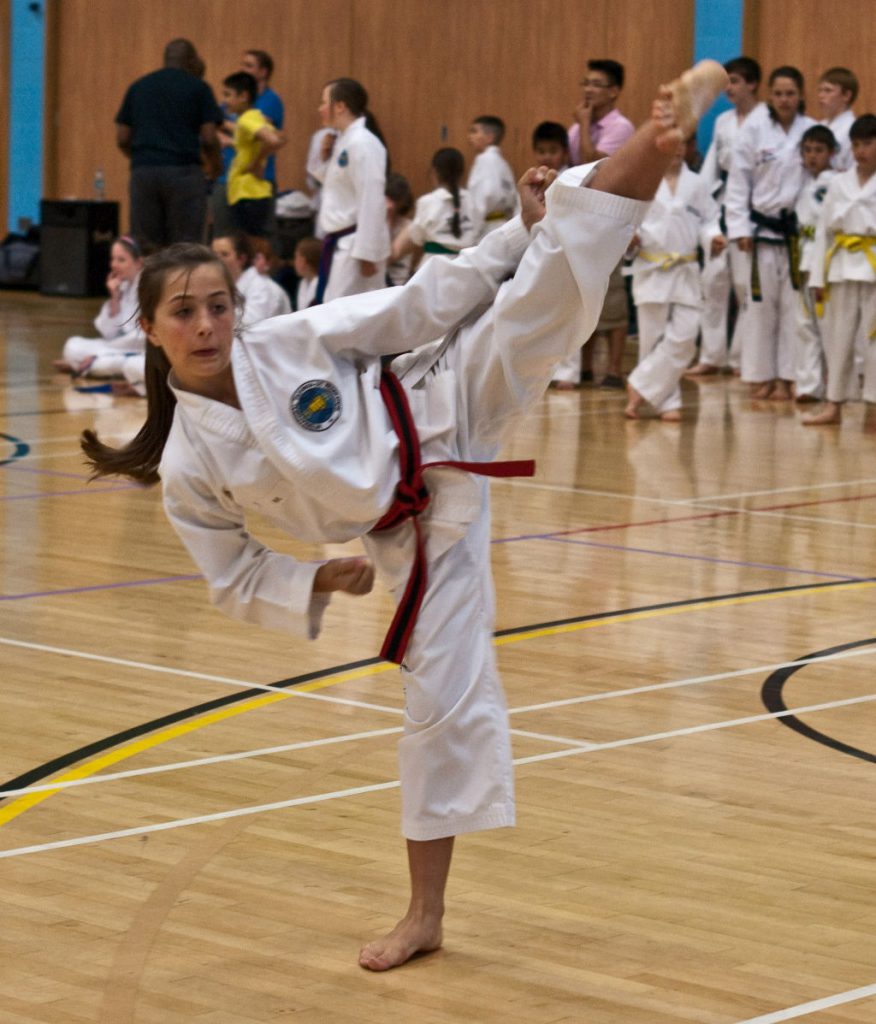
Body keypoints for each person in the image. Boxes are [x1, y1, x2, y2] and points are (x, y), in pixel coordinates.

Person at [79, 60, 728, 972]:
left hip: (437, 405)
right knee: (439, 710)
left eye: (218, 305)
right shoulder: (189, 462)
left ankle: (661, 141)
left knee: (546, 294)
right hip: (416, 534)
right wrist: (313, 577)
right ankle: (425, 914)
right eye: (184, 313)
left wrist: (510, 239)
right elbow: (231, 575)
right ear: (149, 330)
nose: (208, 325)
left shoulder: (283, 342)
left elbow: (409, 308)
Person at [725, 65, 815, 401]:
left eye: (790, 93)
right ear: (770, 96)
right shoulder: (753, 131)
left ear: (801, 95)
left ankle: (791, 377)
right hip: (760, 230)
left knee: (795, 307)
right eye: (778, 93)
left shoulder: (812, 130)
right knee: (760, 307)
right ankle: (760, 376)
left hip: (796, 232)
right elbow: (738, 183)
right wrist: (739, 227)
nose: (784, 99)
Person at [625, 139, 724, 420]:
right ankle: (666, 402)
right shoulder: (643, 181)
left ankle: (640, 385)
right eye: (673, 144)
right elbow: (630, 221)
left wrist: (712, 237)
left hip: (685, 267)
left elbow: (710, 219)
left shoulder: (698, 184)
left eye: (685, 144)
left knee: (687, 335)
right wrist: (631, 239)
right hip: (651, 266)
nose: (679, 149)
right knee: (651, 337)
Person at [553, 59, 636, 390]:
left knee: (612, 297)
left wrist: (585, 124)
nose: (588, 89)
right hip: (581, 218)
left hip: (609, 217)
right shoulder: (577, 128)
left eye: (597, 84)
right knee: (582, 293)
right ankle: (585, 367)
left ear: (614, 91)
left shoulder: (621, 127)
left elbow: (596, 168)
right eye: (585, 82)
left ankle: (614, 369)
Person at [687, 56, 763, 378]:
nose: (728, 88)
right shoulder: (723, 122)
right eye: (726, 82)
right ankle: (711, 355)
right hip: (721, 207)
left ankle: (740, 358)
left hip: (753, 209)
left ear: (753, 84)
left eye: (734, 81)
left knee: (746, 287)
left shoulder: (765, 120)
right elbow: (711, 169)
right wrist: (702, 211)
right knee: (714, 281)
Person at [803, 114, 876, 426]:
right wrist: (819, 277)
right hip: (842, 267)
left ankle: (873, 406)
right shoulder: (838, 183)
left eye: (868, 144)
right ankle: (833, 403)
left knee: (873, 341)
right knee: (838, 338)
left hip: (873, 266)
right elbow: (823, 233)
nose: (861, 151)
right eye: (856, 144)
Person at [115, 39, 222, 248]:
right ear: (191, 60)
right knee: (185, 248)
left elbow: (122, 138)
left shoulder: (138, 86)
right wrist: (216, 165)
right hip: (183, 174)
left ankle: (149, 282)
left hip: (144, 174)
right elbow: (209, 138)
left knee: (146, 247)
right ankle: (180, 282)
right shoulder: (198, 88)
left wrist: (141, 157)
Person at [311, 78, 390, 304]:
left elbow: (372, 198)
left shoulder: (363, 143)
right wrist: (324, 155)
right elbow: (336, 184)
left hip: (356, 245)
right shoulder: (345, 140)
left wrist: (367, 253)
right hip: (343, 243)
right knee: (338, 314)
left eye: (324, 102)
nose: (320, 108)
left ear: (340, 106)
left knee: (351, 316)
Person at [54, 236, 145, 376]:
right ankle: (90, 363)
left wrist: (101, 353)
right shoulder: (123, 286)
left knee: (128, 364)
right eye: (112, 259)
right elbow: (108, 333)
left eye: (121, 260)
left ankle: (86, 364)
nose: (114, 265)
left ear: (138, 263)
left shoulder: (148, 288)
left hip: (137, 350)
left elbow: (140, 339)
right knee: (72, 345)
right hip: (115, 348)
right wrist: (114, 297)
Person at [793, 125, 838, 404]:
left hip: (824, 259)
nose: (812, 156)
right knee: (804, 324)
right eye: (808, 150)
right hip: (803, 254)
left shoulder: (832, 182)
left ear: (831, 153)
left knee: (829, 325)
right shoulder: (804, 183)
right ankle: (809, 385)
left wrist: (819, 264)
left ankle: (837, 384)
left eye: (819, 151)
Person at [221, 72, 286, 240]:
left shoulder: (246, 120)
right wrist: (231, 143)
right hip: (253, 192)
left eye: (228, 95)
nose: (225, 100)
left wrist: (256, 163)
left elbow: (273, 140)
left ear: (243, 96)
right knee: (254, 245)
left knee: (250, 246)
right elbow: (282, 137)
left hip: (247, 193)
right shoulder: (255, 116)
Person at [392, 148, 479, 269]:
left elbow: (417, 237)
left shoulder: (428, 202)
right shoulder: (473, 200)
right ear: (462, 173)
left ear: (434, 172)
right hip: (467, 265)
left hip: (433, 267)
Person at [211, 233, 291, 321]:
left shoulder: (261, 287)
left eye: (224, 254)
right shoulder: (223, 284)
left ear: (241, 258)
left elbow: (251, 324)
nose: (217, 259)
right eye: (214, 254)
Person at [466, 115, 520, 237]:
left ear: (490, 137)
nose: (469, 137)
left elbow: (485, 196)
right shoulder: (503, 164)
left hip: (487, 228)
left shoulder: (485, 160)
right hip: (504, 225)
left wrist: (472, 232)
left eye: (474, 131)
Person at [817, 67, 858, 172]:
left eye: (828, 90)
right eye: (820, 90)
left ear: (846, 95)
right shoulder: (818, 126)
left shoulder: (854, 129)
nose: (821, 95)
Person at [385, 172, 415, 286]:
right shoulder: (374, 222)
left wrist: (387, 220)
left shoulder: (409, 226)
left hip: (395, 285)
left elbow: (388, 258)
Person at [292, 236, 322, 309]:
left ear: (303, 261)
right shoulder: (303, 283)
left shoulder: (321, 285)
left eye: (296, 257)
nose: (294, 262)